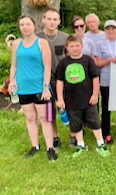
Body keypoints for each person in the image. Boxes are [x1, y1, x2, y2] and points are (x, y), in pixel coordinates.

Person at [9, 15, 57, 161]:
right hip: (23, 87)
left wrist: (45, 87)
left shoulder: (42, 43)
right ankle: (34, 146)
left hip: (39, 87)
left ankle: (50, 148)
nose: (25, 27)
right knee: (30, 117)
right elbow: (14, 65)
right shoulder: (16, 44)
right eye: (22, 24)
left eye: (28, 24)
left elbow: (47, 66)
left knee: (45, 118)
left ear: (34, 25)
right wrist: (12, 81)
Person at [56, 35, 110, 157]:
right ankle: (81, 145)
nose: (75, 48)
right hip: (71, 101)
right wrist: (60, 98)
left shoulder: (88, 60)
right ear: (67, 48)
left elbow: (95, 78)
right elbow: (60, 82)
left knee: (94, 122)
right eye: (72, 46)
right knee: (76, 124)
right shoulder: (63, 63)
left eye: (77, 46)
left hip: (88, 99)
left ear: (82, 46)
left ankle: (100, 144)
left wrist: (95, 95)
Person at [37, 8, 69, 150]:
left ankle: (74, 134)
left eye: (55, 19)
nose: (52, 22)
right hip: (45, 81)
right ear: (43, 19)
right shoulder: (37, 38)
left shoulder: (65, 37)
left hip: (64, 79)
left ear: (59, 22)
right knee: (50, 110)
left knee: (67, 108)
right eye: (49, 19)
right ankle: (55, 137)